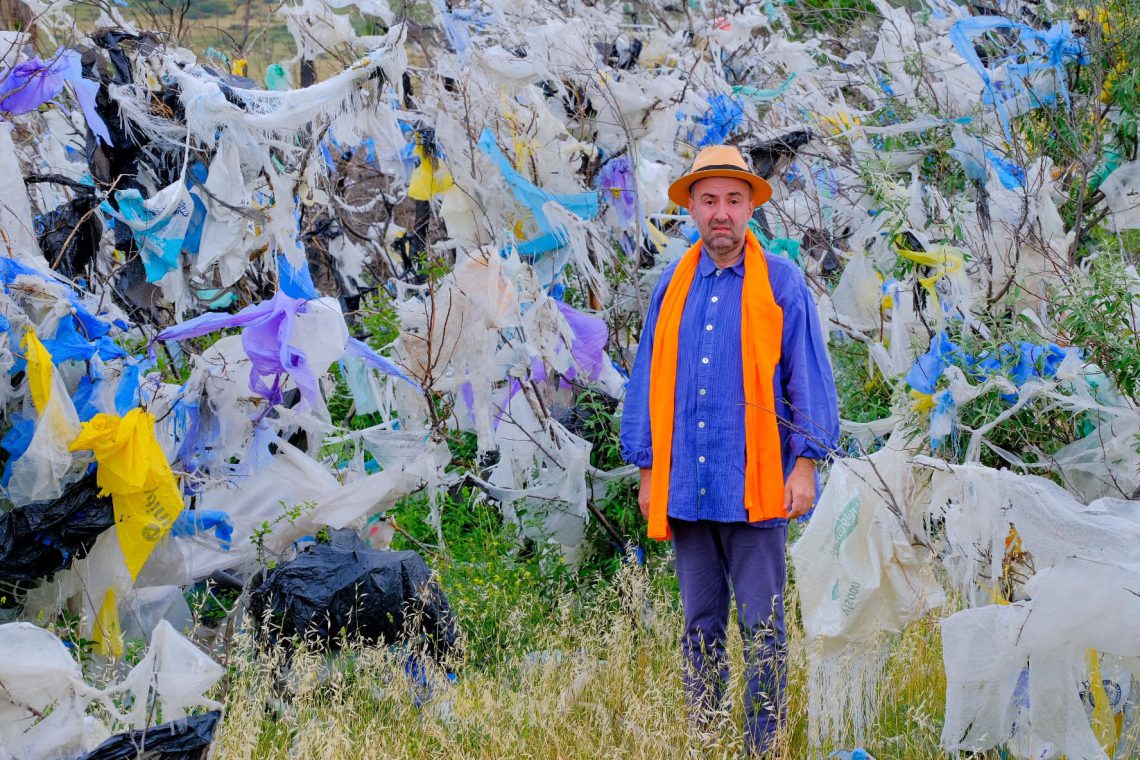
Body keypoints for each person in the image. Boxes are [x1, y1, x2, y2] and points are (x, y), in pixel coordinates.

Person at [619, 145, 840, 755]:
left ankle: (763, 745)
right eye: (709, 200)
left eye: (733, 201)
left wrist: (805, 465)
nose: (722, 213)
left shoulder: (782, 283)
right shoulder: (674, 284)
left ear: (750, 209)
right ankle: (707, 737)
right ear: (691, 206)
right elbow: (647, 380)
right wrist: (646, 469)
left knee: (763, 627)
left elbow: (807, 380)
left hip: (758, 484)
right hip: (687, 486)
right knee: (699, 627)